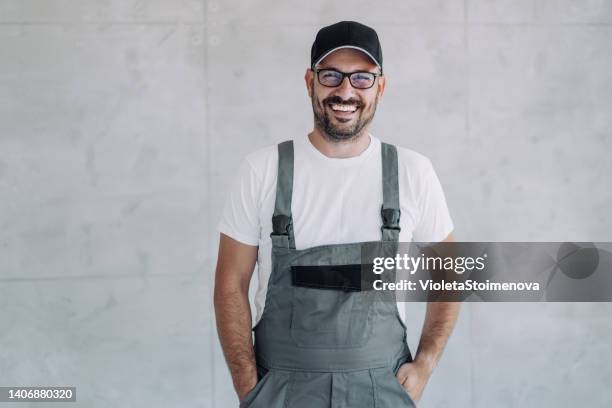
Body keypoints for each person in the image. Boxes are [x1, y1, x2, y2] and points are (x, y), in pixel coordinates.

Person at [214, 20, 460, 408]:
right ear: (310, 82)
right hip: (280, 391)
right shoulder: (262, 170)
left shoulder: (413, 172)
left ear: (381, 86)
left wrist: (425, 364)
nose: (345, 91)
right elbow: (231, 282)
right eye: (331, 76)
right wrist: (248, 385)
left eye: (362, 78)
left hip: (381, 390)